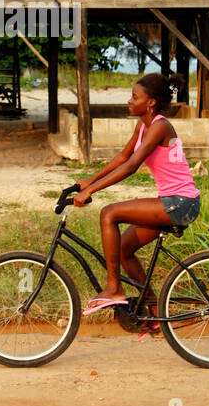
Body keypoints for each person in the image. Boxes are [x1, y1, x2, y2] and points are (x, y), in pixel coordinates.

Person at [72, 72, 200, 322]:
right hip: (172, 202)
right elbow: (122, 157)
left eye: (134, 97)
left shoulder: (160, 126)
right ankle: (153, 313)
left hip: (181, 202)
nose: (129, 101)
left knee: (109, 213)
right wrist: (91, 181)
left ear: (150, 102)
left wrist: (92, 191)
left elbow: (131, 166)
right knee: (122, 250)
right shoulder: (144, 125)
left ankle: (114, 289)